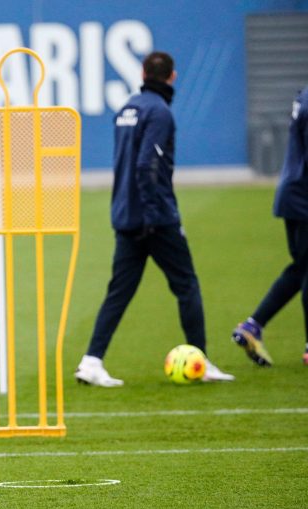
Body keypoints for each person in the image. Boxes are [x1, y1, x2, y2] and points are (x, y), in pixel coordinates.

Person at [74, 51, 234, 387]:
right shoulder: (160, 112)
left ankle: (91, 361)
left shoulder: (127, 109)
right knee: (186, 285)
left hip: (125, 215)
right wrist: (153, 215)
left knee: (119, 291)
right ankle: (200, 361)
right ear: (172, 76)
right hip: (155, 218)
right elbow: (147, 165)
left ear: (144, 72)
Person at [232, 85, 308, 366]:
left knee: (301, 267)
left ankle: (252, 326)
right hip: (302, 196)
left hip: (293, 193)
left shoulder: (304, 95)